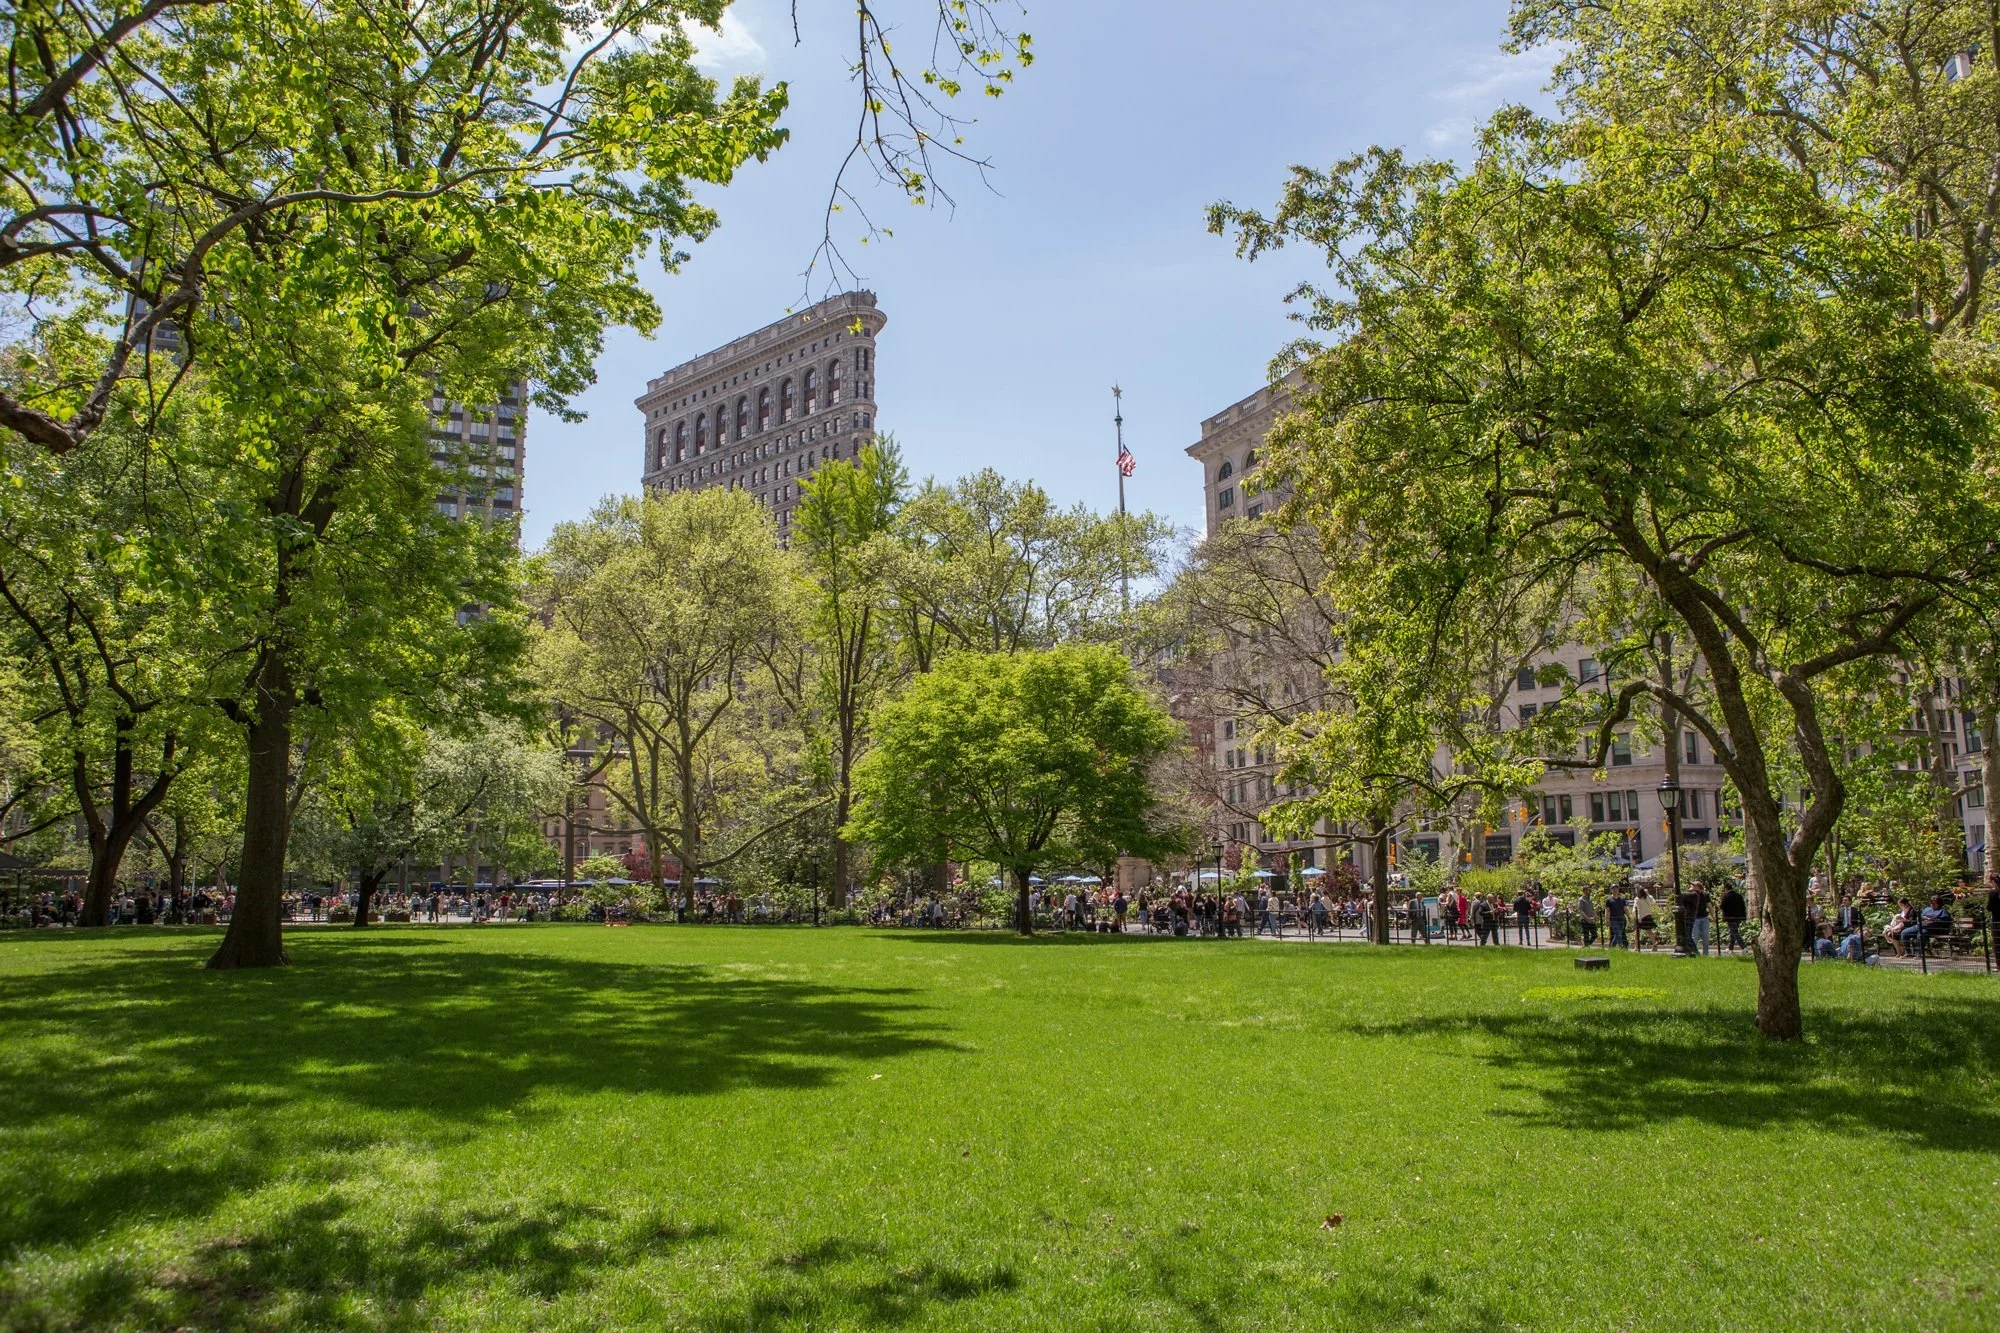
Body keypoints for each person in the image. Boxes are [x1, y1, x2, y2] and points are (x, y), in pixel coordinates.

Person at [1720, 883, 1748, 951]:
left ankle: (1743, 947)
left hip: (1730, 917)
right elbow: (1743, 907)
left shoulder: (1725, 896)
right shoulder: (1739, 895)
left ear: (1726, 888)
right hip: (1738, 917)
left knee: (1734, 932)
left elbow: (1722, 906)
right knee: (1733, 931)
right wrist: (1744, 917)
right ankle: (1730, 947)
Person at [1688, 883, 1713, 956]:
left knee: (1705, 937)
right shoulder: (1691, 895)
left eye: (1693, 886)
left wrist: (1713, 916)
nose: (1692, 887)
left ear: (1698, 887)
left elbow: (1709, 906)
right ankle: (1694, 953)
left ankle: (1706, 954)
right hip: (1695, 918)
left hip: (1704, 917)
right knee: (1694, 937)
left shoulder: (1705, 895)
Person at [1606, 885, 1629, 950]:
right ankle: (1621, 947)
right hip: (1613, 919)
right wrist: (1607, 919)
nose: (1615, 890)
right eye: (1613, 889)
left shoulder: (1622, 899)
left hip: (1621, 918)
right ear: (1611, 890)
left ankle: (1611, 948)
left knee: (1617, 934)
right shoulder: (1609, 900)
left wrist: (1629, 917)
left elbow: (1625, 908)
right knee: (1618, 933)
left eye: (1616, 888)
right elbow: (1607, 910)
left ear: (1618, 889)